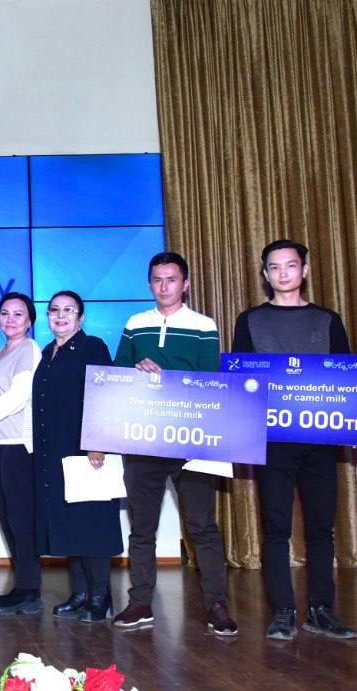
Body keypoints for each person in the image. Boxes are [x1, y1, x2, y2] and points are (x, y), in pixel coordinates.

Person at [233, 239, 357, 640]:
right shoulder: (249, 321)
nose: (282, 273)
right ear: (265, 274)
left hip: (320, 441)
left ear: (304, 270)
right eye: (274, 267)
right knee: (276, 528)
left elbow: (349, 379)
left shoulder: (327, 320)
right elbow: (240, 382)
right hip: (273, 442)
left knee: (322, 528)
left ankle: (321, 610)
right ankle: (283, 611)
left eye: (290, 265)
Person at [111, 252, 237, 636]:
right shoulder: (136, 323)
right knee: (142, 527)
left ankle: (217, 604)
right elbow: (117, 371)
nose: (164, 286)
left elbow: (210, 380)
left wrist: (168, 379)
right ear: (149, 283)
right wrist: (135, 369)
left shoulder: (203, 325)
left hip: (192, 440)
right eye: (157, 279)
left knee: (202, 526)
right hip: (144, 439)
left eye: (171, 279)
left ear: (186, 284)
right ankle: (140, 601)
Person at [33, 291, 120, 623]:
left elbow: (106, 394)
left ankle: (100, 595)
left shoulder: (91, 347)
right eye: (54, 310)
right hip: (55, 451)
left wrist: (97, 442)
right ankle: (80, 593)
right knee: (69, 522)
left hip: (86, 450)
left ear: (81, 317)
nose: (60, 315)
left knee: (92, 522)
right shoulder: (47, 353)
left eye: (68, 310)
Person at [0, 292, 44, 615]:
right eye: (4, 313)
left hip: (19, 444)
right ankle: (23, 585)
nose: (10, 319)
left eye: (18, 314)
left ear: (29, 320)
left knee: (21, 519)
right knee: (7, 517)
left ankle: (29, 590)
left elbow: (21, 393)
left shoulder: (29, 349)